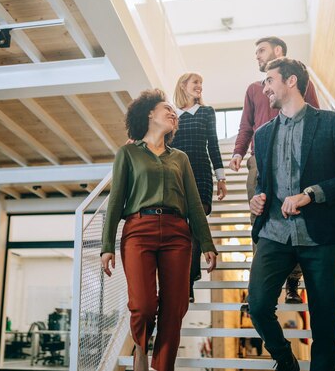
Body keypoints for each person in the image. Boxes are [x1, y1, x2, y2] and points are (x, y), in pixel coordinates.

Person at [247, 58, 335, 371]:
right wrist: (257, 200)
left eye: (269, 81)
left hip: (322, 234)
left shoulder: (331, 122)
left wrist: (311, 194)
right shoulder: (261, 135)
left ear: (290, 82)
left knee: (325, 323)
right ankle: (286, 361)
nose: (264, 88)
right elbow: (264, 184)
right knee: (259, 306)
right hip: (274, 232)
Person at [101, 89, 218, 371]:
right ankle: (141, 350)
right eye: (167, 108)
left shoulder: (180, 158)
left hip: (178, 234)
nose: (173, 113)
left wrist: (207, 242)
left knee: (175, 308)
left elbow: (193, 202)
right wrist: (106, 246)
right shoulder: (128, 153)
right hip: (138, 231)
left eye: (174, 112)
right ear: (149, 114)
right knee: (143, 306)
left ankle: (163, 366)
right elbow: (116, 200)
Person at [229, 36, 320, 304]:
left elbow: (314, 115)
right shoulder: (253, 90)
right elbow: (246, 125)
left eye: (261, 50)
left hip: (297, 160)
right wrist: (238, 151)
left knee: (296, 218)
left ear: (277, 51)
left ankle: (293, 284)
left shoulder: (302, 83)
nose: (257, 55)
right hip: (260, 161)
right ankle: (257, 286)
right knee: (259, 220)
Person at [170, 72, 227, 303]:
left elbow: (213, 144)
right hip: (177, 176)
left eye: (201, 83)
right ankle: (184, 279)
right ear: (183, 85)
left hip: (202, 174)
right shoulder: (171, 114)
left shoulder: (206, 112)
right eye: (196, 83)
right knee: (181, 230)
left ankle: (188, 283)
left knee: (194, 229)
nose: (200, 87)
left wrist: (221, 177)